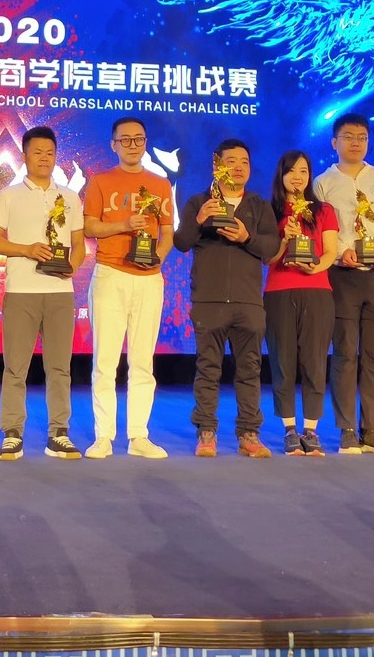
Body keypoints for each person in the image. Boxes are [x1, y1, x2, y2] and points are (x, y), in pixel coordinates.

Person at [173, 139, 280, 457]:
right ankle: (206, 432)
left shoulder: (259, 206)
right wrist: (199, 220)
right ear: (216, 166)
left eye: (244, 161)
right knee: (208, 369)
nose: (239, 167)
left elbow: (271, 248)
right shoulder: (198, 202)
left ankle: (249, 434)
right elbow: (181, 242)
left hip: (249, 303)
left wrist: (247, 237)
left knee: (250, 370)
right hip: (209, 301)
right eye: (231, 161)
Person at [0, 126, 87, 460]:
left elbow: (78, 244)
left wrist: (72, 267)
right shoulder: (9, 195)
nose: (44, 158)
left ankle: (59, 432)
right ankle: (12, 432)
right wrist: (27, 249)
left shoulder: (70, 197)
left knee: (60, 368)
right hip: (21, 291)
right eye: (37, 152)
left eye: (50, 153)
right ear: (25, 156)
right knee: (15, 367)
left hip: (60, 292)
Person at [313, 113, 374, 455]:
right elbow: (321, 226)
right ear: (334, 142)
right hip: (343, 277)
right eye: (348, 136)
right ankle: (347, 430)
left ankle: (372, 430)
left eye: (362, 137)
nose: (355, 142)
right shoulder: (323, 183)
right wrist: (341, 252)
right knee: (344, 354)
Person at [81, 116, 176, 459]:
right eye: (125, 139)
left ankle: (138, 436)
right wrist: (124, 223)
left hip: (149, 279)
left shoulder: (160, 184)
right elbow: (90, 227)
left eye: (138, 139)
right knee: (105, 361)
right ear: (114, 145)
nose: (132, 145)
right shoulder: (100, 181)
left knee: (142, 362)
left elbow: (167, 233)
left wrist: (157, 259)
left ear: (145, 143)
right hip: (110, 274)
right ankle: (103, 436)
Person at [264, 150, 340, 457]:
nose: (298, 177)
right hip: (279, 292)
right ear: (281, 175)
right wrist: (284, 239)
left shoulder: (324, 211)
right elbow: (267, 258)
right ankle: (289, 429)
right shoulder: (269, 211)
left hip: (317, 291)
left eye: (304, 171)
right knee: (283, 362)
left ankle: (311, 429)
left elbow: (331, 251)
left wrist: (315, 267)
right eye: (292, 171)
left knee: (315, 362)